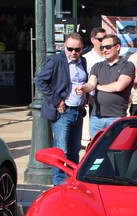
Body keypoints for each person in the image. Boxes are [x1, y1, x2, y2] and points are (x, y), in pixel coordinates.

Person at [36, 33, 88, 186]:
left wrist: (85, 95)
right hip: (63, 112)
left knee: (74, 149)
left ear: (82, 49)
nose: (73, 52)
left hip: (78, 111)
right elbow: (40, 81)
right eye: (70, 49)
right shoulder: (56, 60)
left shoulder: (82, 61)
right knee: (61, 150)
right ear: (64, 47)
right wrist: (57, 100)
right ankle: (59, 184)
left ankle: (72, 181)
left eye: (77, 49)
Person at [76, 34, 135, 137]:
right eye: (102, 47)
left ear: (117, 47)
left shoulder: (127, 65)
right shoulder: (97, 66)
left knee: (116, 150)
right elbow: (91, 84)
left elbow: (119, 86)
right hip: (96, 118)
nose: (104, 50)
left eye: (107, 47)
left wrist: (98, 87)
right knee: (96, 151)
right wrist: (83, 88)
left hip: (116, 118)